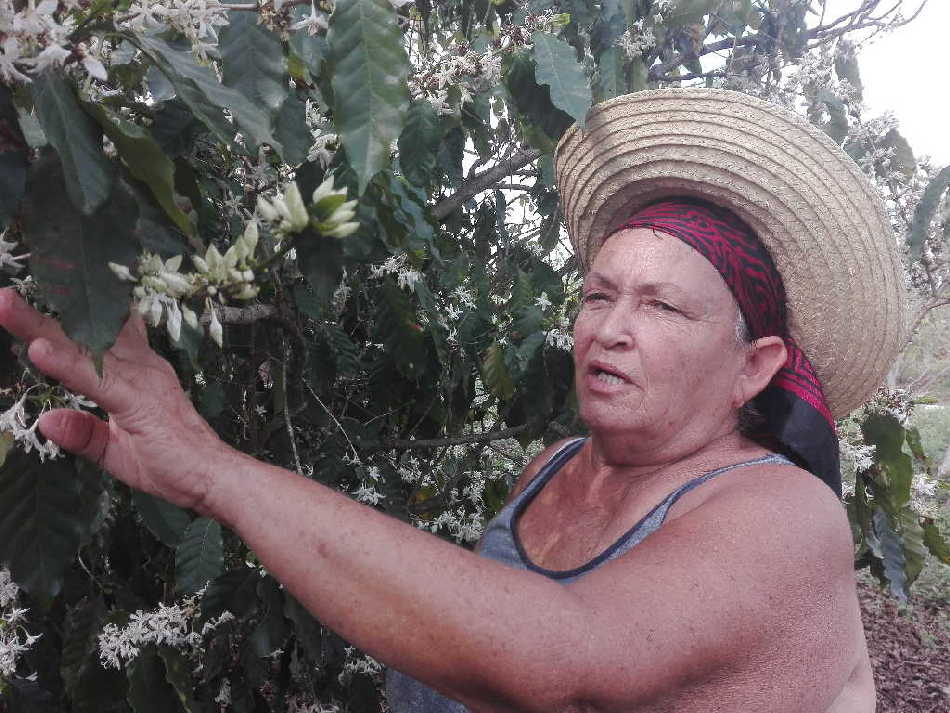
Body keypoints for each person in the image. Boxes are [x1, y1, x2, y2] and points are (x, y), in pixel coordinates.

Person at [0, 89, 904, 712]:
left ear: (756, 365)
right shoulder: (551, 466)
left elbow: (562, 664)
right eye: (598, 294)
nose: (609, 329)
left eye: (662, 304)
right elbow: (469, 645)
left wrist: (211, 471)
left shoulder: (786, 514)